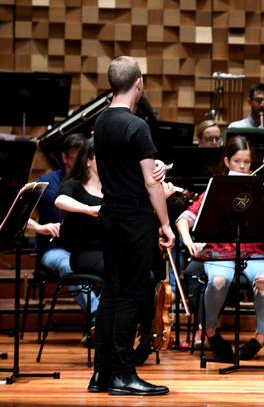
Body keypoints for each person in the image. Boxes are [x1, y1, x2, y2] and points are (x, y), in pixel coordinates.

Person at [89, 56, 175, 395]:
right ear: (138, 83)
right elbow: (150, 183)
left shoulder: (101, 122)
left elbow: (124, 170)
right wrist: (165, 224)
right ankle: (124, 374)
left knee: (111, 293)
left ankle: (102, 373)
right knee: (129, 295)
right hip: (134, 219)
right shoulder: (137, 126)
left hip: (110, 215)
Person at [176, 136, 264, 362]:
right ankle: (210, 331)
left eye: (247, 162)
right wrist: (187, 239)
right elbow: (184, 219)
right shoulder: (216, 188)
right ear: (227, 161)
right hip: (220, 251)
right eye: (237, 161)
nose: (242, 167)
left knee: (263, 281)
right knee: (219, 280)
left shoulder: (259, 190)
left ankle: (260, 337)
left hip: (253, 251)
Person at [26, 133, 100, 320]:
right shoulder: (48, 182)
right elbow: (18, 213)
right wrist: (41, 228)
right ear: (64, 157)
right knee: (69, 265)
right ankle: (97, 318)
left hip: (87, 248)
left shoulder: (95, 185)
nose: (79, 163)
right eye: (75, 158)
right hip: (54, 248)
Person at [54, 138, 104, 277]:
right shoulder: (74, 185)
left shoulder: (111, 188)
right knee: (118, 272)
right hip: (84, 254)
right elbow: (60, 200)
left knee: (144, 273)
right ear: (88, 161)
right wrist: (88, 209)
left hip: (109, 251)